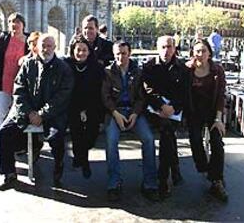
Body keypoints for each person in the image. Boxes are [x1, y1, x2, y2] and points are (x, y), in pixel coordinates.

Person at [0, 34, 74, 190]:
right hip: (26, 112)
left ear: (55, 47)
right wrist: (29, 112)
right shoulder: (28, 65)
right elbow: (19, 90)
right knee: (4, 132)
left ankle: (58, 172)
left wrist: (42, 114)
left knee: (57, 138)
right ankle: (9, 174)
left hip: (52, 115)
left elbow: (62, 97)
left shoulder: (63, 68)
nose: (46, 49)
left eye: (50, 46)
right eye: (43, 46)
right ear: (37, 47)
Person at [102, 40, 158, 202]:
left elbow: (142, 97)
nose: (120, 57)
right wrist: (115, 114)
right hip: (115, 111)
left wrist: (135, 113)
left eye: (124, 53)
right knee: (111, 140)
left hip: (134, 111)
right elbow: (105, 97)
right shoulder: (107, 72)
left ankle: (149, 183)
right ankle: (114, 182)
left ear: (129, 54)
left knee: (148, 139)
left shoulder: (137, 71)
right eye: (117, 54)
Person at [142, 35, 190, 200]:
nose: (166, 50)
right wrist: (161, 106)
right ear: (157, 48)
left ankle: (163, 177)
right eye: (163, 47)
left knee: (167, 130)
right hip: (154, 110)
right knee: (167, 129)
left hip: (174, 112)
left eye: (169, 47)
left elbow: (184, 94)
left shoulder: (182, 68)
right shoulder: (149, 66)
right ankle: (171, 172)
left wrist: (173, 108)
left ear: (174, 48)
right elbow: (148, 91)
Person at [186, 39, 228, 202]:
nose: (200, 54)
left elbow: (221, 96)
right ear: (193, 53)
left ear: (209, 52)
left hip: (212, 112)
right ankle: (205, 168)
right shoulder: (187, 70)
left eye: (203, 51)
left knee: (217, 142)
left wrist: (218, 118)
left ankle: (216, 180)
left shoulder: (217, 70)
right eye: (197, 51)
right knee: (195, 140)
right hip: (194, 112)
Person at [64, 35, 104, 179]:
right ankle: (83, 160)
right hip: (72, 105)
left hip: (92, 105)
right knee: (76, 132)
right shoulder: (66, 65)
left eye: (84, 50)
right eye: (78, 50)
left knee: (91, 136)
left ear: (89, 51)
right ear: (73, 50)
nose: (81, 53)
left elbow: (99, 91)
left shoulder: (97, 67)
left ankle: (81, 155)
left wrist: (86, 110)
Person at [0, 13, 30, 154]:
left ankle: (19, 145)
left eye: (18, 22)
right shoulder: (3, 39)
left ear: (23, 24)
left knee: (20, 115)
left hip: (22, 85)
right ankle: (0, 144)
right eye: (11, 22)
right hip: (3, 83)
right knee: (1, 114)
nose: (15, 24)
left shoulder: (30, 40)